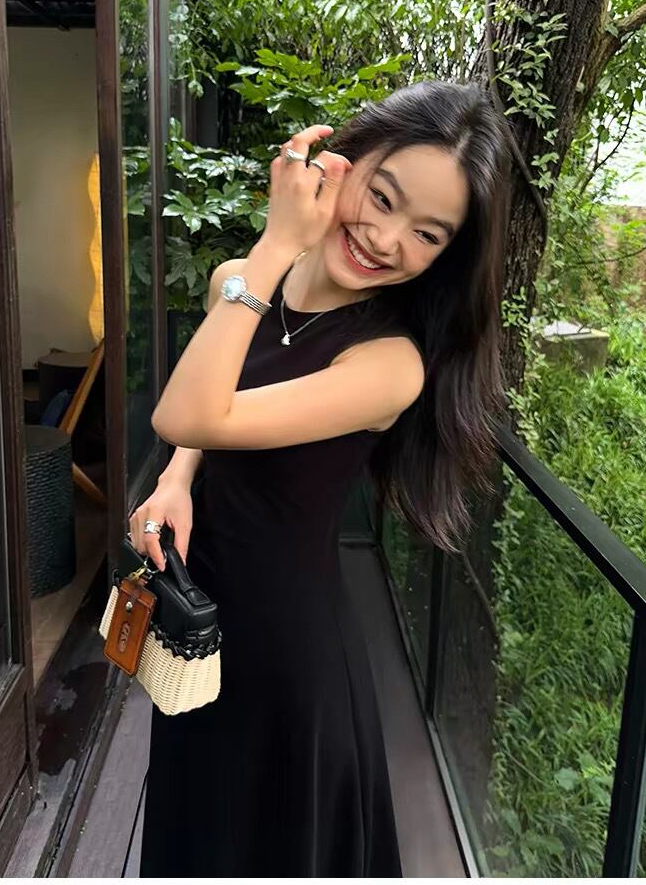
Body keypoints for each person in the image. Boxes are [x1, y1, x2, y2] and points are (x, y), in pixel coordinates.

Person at [130, 79, 511, 876]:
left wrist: (274, 246)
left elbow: (188, 412)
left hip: (286, 657)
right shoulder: (240, 286)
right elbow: (202, 419)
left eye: (427, 234)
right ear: (342, 162)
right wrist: (176, 480)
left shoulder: (388, 364)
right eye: (383, 196)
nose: (386, 238)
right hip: (198, 623)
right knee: (194, 830)